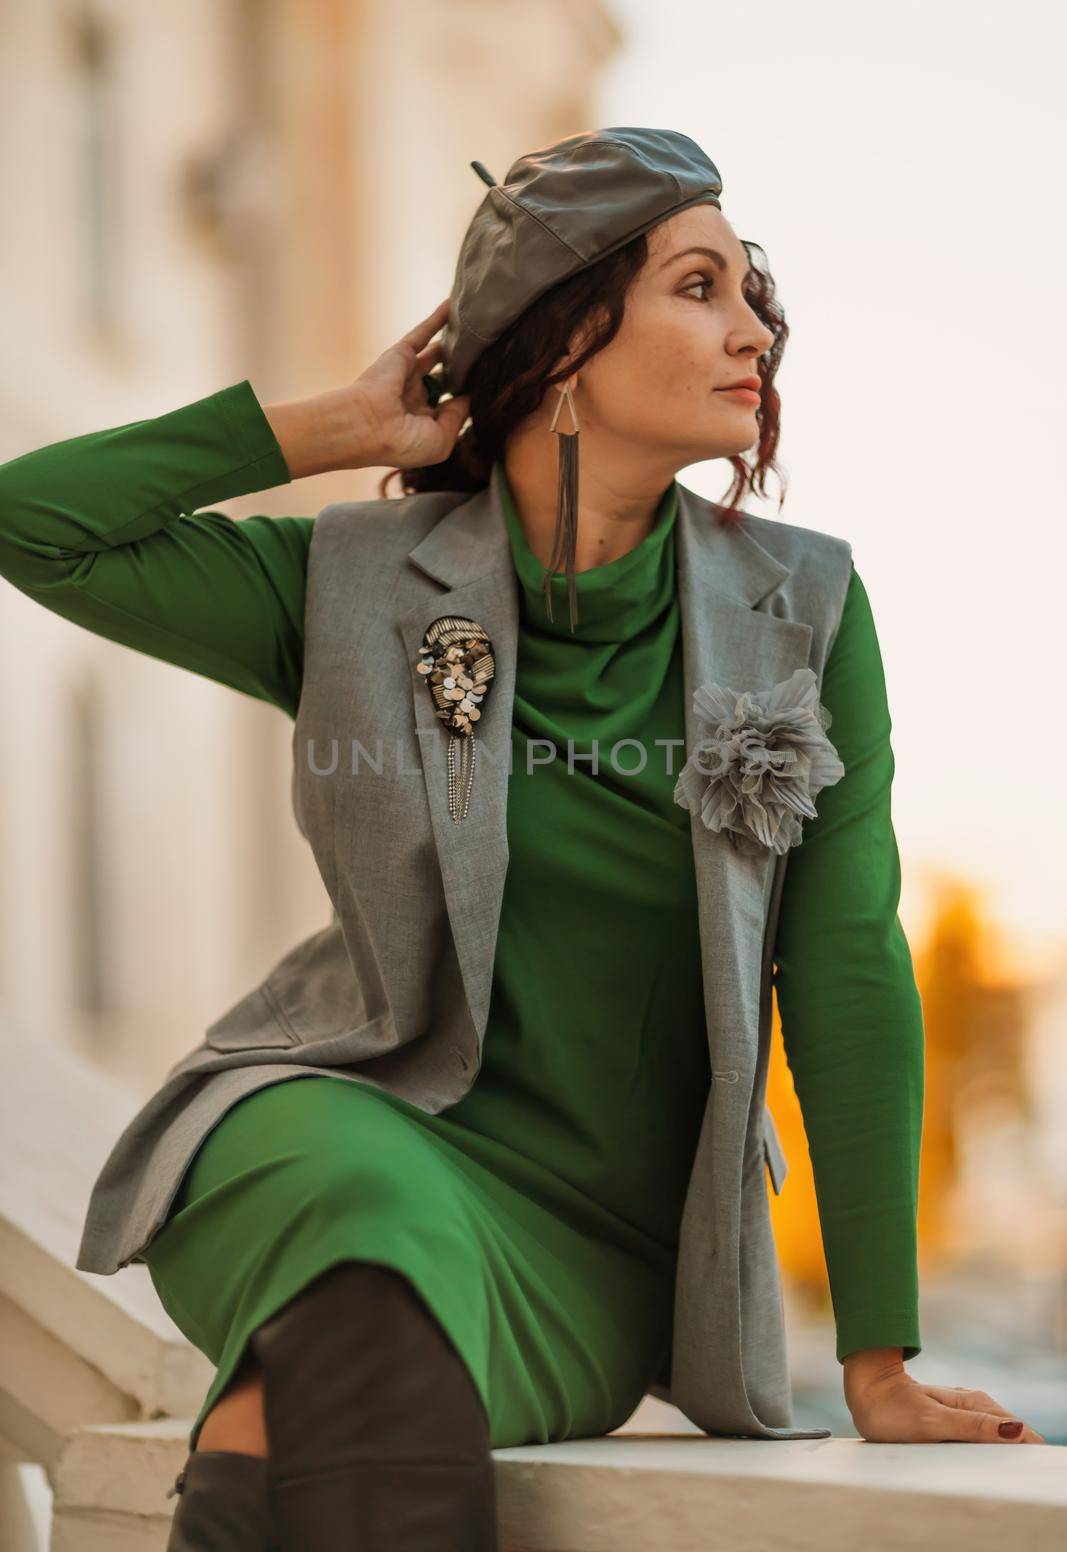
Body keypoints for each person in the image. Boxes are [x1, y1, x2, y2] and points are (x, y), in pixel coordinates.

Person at [0, 135, 1045, 1552]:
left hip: (600, 1246)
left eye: (754, 296)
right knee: (359, 1217)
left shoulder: (804, 608)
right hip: (335, 1128)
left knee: (283, 1409)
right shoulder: (352, 587)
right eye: (699, 286)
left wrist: (880, 1357)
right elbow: (31, 524)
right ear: (564, 342)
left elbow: (847, 962)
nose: (754, 332)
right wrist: (339, 430)